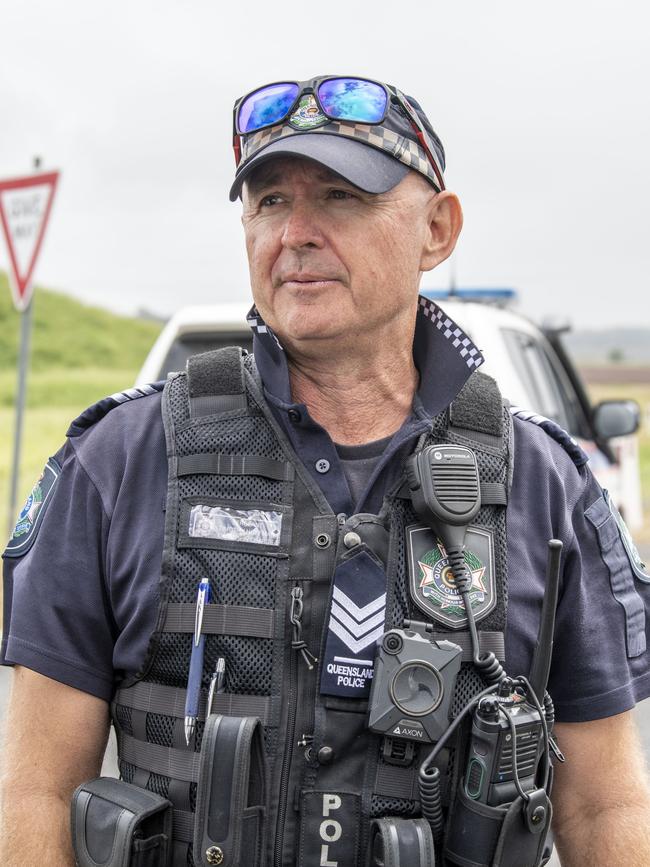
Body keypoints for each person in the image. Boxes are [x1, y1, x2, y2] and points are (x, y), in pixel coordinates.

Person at [1, 74, 649, 867]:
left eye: (340, 197)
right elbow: (33, 792)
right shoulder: (120, 462)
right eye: (270, 201)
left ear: (438, 229)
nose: (296, 231)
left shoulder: (545, 484)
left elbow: (605, 805)